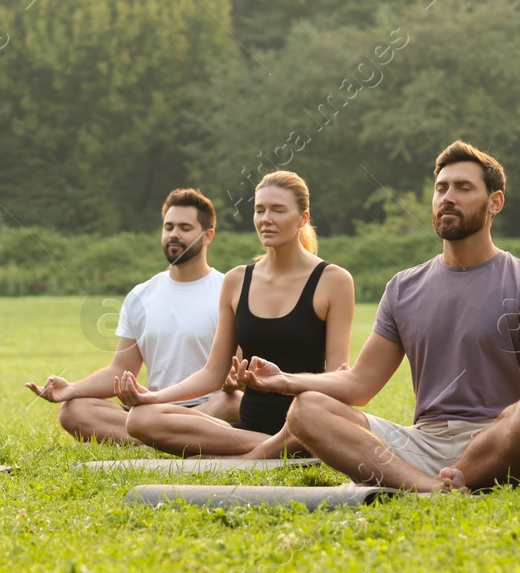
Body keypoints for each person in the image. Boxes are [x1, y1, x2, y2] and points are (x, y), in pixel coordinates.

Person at [242, 141, 520, 492]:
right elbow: (359, 384)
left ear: (495, 202)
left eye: (463, 188)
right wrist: (286, 380)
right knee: (306, 409)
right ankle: (432, 488)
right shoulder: (404, 287)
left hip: (498, 439)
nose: (448, 197)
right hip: (422, 442)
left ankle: (448, 479)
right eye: (441, 188)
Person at [115, 171, 355, 458]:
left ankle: (290, 444)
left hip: (304, 421)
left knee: (309, 422)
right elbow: (213, 373)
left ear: (303, 218)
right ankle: (271, 451)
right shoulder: (236, 280)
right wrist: (151, 397)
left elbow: (337, 377)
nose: (266, 218)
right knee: (141, 418)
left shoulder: (334, 280)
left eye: (278, 210)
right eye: (259, 210)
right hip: (247, 430)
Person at [25, 188, 240, 444]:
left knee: (234, 401)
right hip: (156, 409)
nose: (174, 234)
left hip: (210, 410)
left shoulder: (230, 289)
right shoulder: (141, 295)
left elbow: (238, 371)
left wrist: (236, 383)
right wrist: (72, 388)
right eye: (168, 226)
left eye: (185, 227)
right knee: (74, 410)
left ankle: (165, 440)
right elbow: (120, 369)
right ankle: (170, 444)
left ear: (207, 236)